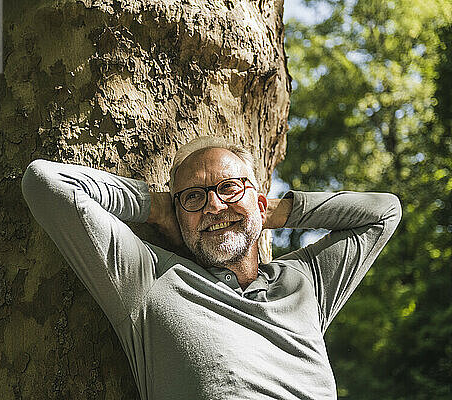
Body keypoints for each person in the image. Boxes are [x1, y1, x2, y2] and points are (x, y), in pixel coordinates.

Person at [21, 136, 402, 400]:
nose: (214, 206)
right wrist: (155, 206)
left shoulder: (303, 283)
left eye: (230, 189)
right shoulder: (150, 280)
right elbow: (46, 182)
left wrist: (271, 212)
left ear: (259, 199)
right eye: (193, 197)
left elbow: (383, 212)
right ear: (177, 212)